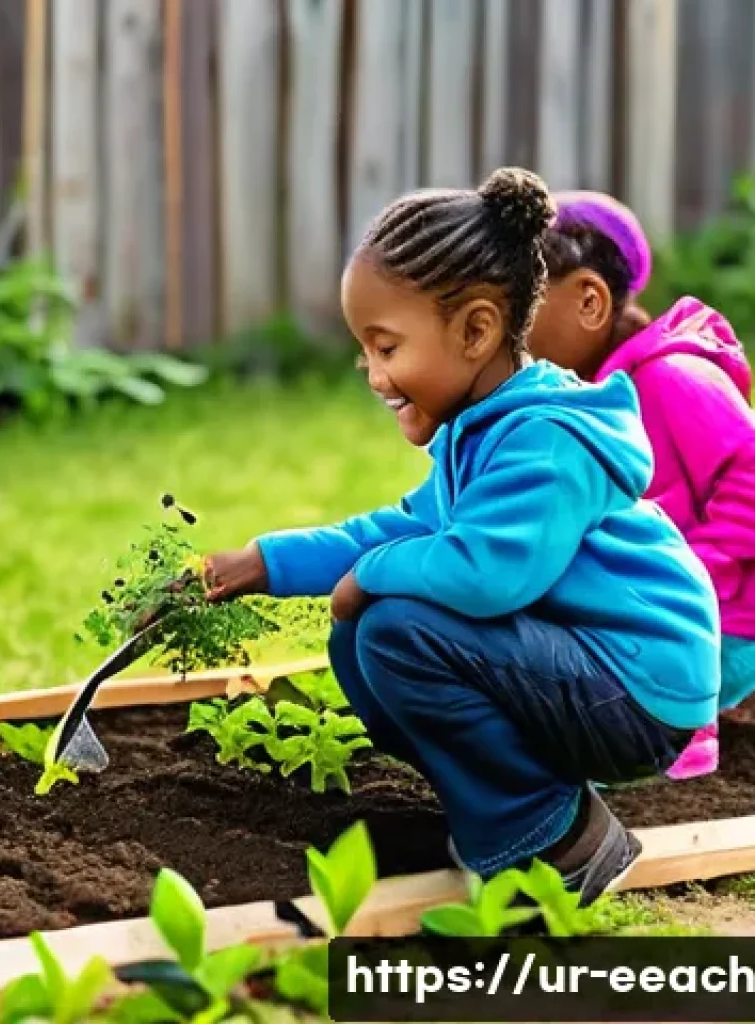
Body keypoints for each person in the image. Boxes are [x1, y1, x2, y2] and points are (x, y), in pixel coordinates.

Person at [201, 167, 720, 906]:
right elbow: (406, 528)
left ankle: (558, 842)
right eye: (364, 353)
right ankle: (505, 805)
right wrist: (262, 561)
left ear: (476, 330)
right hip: (598, 669)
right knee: (363, 636)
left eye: (386, 348)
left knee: (397, 630)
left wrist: (372, 573)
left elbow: (485, 573)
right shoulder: (486, 431)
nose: (374, 376)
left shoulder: (543, 441)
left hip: (640, 685)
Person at [529, 189, 755, 781]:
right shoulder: (602, 392)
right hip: (665, 614)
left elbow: (751, 473)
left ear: (587, 301)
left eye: (517, 309)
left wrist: (696, 576)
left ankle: (677, 732)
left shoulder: (670, 376)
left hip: (718, 624)